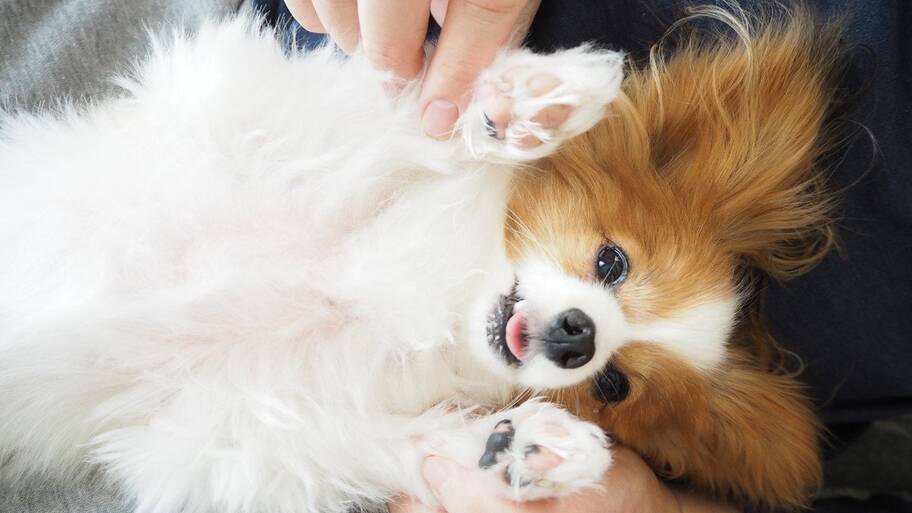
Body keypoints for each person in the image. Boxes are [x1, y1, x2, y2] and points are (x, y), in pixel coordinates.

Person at [259, 1, 912, 513]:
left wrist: (660, 507)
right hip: (361, 63)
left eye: (612, 384)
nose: (584, 341)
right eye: (611, 267)